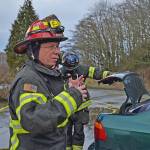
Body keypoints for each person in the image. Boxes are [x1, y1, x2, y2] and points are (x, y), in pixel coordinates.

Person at [8, 14, 89, 150]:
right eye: (51, 47)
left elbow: (53, 109)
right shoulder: (28, 79)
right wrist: (72, 95)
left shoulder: (47, 76)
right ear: (34, 50)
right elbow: (33, 120)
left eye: (57, 46)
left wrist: (69, 89)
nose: (57, 52)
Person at [60, 51, 110, 150]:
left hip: (80, 108)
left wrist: (107, 75)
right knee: (66, 132)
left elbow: (95, 72)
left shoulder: (81, 69)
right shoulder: (60, 72)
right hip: (66, 107)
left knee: (79, 132)